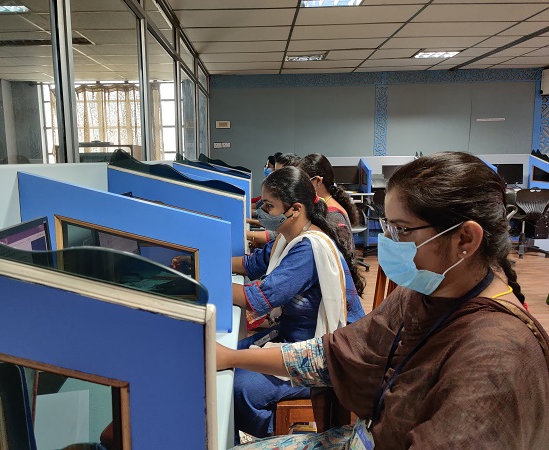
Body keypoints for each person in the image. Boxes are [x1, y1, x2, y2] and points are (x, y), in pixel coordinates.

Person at [218, 152, 549, 449]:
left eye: (402, 230)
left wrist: (237, 358)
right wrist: (233, 357)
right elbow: (338, 353)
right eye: (388, 228)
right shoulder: (423, 292)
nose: (389, 243)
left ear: (465, 239)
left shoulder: (496, 354)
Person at [230, 166, 366, 442]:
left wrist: (205, 281)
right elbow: (252, 264)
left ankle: (282, 434)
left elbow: (257, 298)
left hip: (323, 354)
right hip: (294, 337)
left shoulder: (308, 248)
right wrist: (203, 263)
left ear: (294, 209)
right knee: (229, 359)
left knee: (237, 388)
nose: (262, 212)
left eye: (269, 206)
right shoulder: (287, 237)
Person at [248, 153, 302, 249]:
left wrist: (248, 234)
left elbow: (276, 234)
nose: (273, 174)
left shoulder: (294, 200)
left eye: (277, 172)